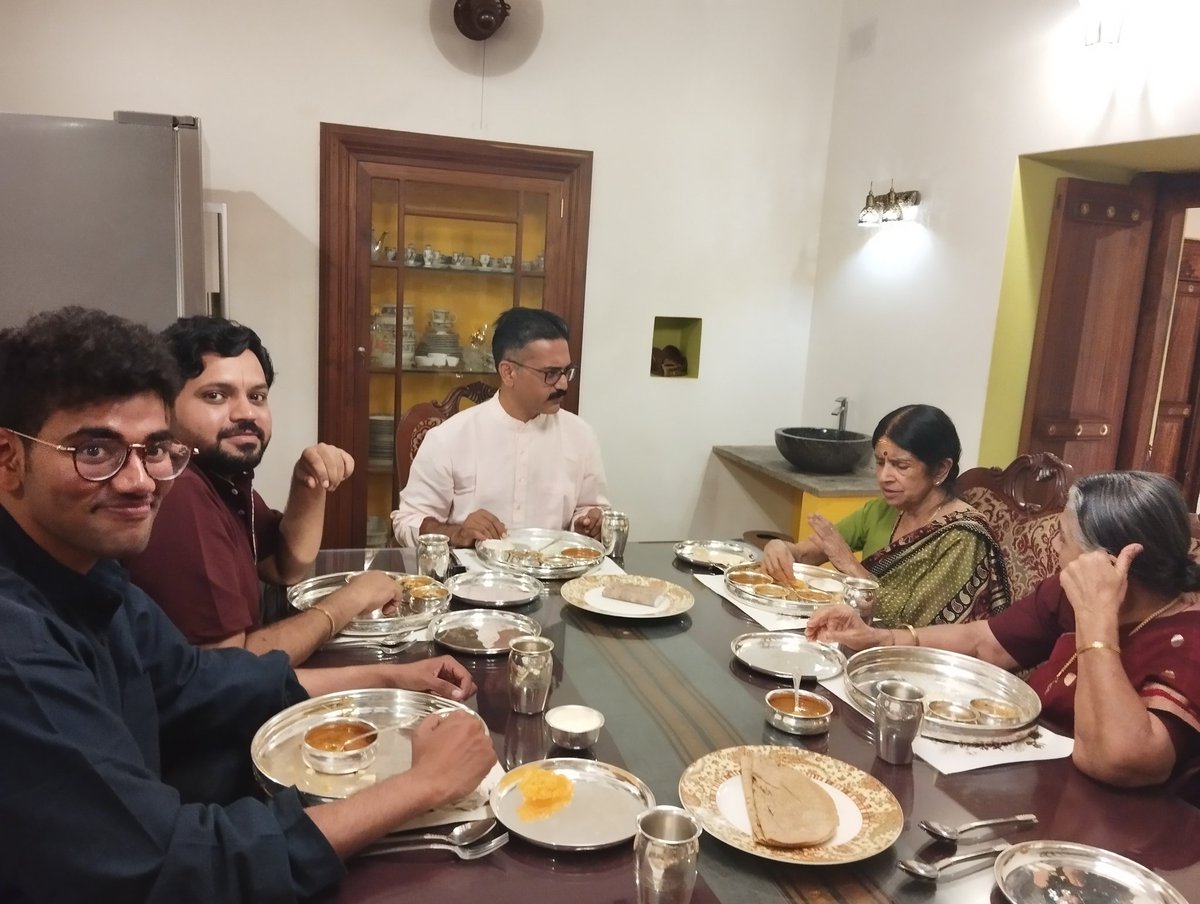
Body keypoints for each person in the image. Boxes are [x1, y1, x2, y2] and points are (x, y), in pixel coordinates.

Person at [0, 307, 496, 902]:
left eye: (155, 449)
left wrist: (388, 676)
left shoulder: (90, 575)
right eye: (96, 451)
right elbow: (177, 864)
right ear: (9, 459)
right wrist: (424, 785)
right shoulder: (18, 645)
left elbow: (199, 681)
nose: (139, 481)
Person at [807, 470, 1200, 791]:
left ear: (1111, 565)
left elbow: (1117, 760)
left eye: (1063, 540)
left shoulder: (1187, 637)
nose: (1056, 551)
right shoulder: (1069, 592)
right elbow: (985, 644)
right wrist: (884, 639)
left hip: (1118, 831)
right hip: (1037, 775)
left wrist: (1096, 619)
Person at [126, 316, 390, 663]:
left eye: (257, 396)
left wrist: (307, 482)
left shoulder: (220, 477)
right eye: (216, 396)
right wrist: (351, 599)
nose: (246, 412)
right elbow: (230, 668)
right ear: (165, 406)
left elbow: (284, 567)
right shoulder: (180, 492)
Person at [763, 404, 1009, 627]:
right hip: (861, 638)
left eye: (901, 466)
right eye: (880, 463)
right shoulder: (883, 510)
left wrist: (849, 565)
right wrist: (782, 549)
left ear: (940, 470)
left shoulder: (962, 537)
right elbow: (807, 553)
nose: (884, 477)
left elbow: (916, 626)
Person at [392, 308, 609, 548]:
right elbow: (407, 522)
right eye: (551, 373)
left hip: (554, 579)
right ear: (508, 372)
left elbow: (591, 508)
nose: (563, 384)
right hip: (469, 579)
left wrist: (586, 523)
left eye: (567, 371)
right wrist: (457, 533)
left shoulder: (581, 436)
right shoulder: (449, 438)